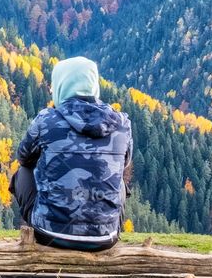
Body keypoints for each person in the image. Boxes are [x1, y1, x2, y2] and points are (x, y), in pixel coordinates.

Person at [12, 56, 132, 251]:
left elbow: (23, 157)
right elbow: (125, 163)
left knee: (23, 171)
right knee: (117, 179)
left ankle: (37, 227)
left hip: (50, 234)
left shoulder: (46, 119)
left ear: (61, 85)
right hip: (105, 238)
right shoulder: (121, 123)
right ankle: (105, 226)